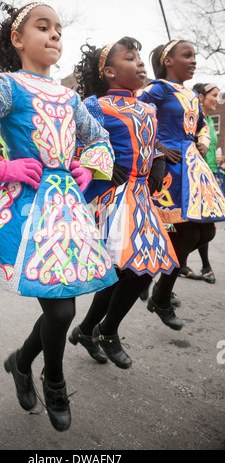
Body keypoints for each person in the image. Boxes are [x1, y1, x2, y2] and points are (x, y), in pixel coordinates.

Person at [0, 2, 118, 432]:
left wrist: (88, 166)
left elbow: (99, 138)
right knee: (61, 312)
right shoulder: (8, 86)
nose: (54, 35)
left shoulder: (71, 97)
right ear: (18, 39)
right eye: (43, 26)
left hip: (68, 211)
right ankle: (53, 379)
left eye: (58, 29)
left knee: (62, 309)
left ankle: (21, 362)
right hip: (26, 211)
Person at [68, 36, 180, 370]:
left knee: (144, 267)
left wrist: (158, 163)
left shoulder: (148, 107)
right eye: (131, 58)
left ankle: (90, 330)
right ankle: (107, 331)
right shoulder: (95, 105)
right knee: (133, 267)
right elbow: (79, 143)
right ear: (109, 72)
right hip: (113, 196)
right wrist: (102, 165)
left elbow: (152, 141)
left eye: (141, 57)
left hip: (143, 196)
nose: (141, 63)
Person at [136, 40, 225, 322]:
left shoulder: (189, 94)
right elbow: (136, 119)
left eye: (195, 56)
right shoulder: (157, 89)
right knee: (184, 234)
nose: (194, 60)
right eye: (187, 55)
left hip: (193, 170)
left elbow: (200, 123)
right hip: (170, 170)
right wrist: (158, 148)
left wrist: (202, 137)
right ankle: (158, 293)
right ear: (168, 61)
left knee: (206, 233)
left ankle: (151, 284)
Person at [179, 83, 220, 284]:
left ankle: (185, 266)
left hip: (210, 174)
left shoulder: (209, 122)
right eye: (214, 95)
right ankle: (202, 266)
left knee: (206, 225)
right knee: (193, 226)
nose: (217, 100)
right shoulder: (191, 115)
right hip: (192, 175)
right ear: (201, 96)